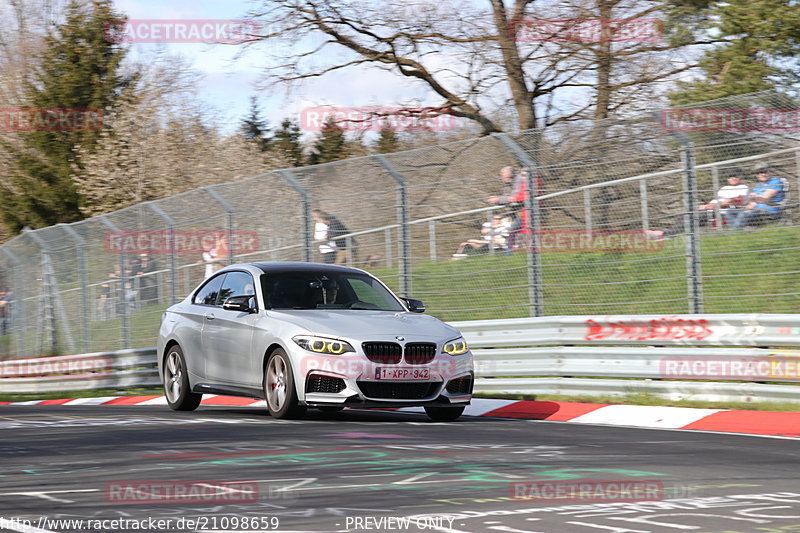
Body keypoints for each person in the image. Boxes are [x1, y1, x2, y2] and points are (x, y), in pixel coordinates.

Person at [728, 163, 785, 229]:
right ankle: (736, 231)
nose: (762, 174)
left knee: (743, 214)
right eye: (758, 172)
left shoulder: (775, 181)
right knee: (730, 212)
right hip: (755, 209)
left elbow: (765, 198)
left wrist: (754, 198)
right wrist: (749, 204)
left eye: (764, 171)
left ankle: (734, 233)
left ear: (769, 171)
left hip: (769, 210)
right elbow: (751, 201)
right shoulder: (758, 186)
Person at [488, 166, 531, 249]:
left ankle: (509, 253)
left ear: (508, 175)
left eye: (502, 174)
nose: (501, 177)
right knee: (514, 233)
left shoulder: (520, 180)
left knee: (513, 232)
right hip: (517, 215)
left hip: (526, 213)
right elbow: (507, 198)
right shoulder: (508, 185)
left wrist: (499, 199)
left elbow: (515, 198)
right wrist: (498, 200)